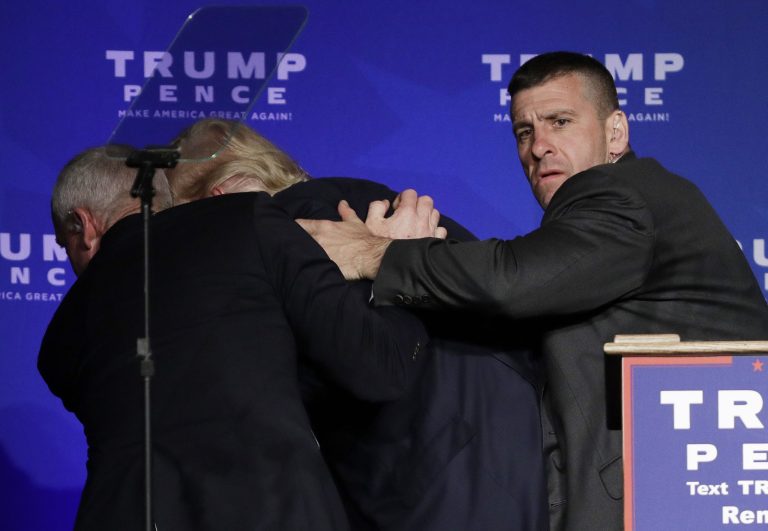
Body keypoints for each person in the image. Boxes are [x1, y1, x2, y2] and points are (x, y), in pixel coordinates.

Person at [297, 51, 768, 530]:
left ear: (616, 132)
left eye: (560, 122)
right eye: (524, 131)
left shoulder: (621, 194)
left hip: (670, 499)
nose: (539, 146)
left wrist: (373, 253)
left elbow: (510, 282)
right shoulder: (624, 209)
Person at [166, 118, 549, 530]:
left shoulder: (303, 227)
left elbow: (363, 362)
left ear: (219, 199)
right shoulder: (350, 199)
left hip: (439, 480)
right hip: (500, 453)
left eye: (187, 221)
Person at [39, 146, 428, 530]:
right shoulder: (246, 219)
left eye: (64, 245)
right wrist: (401, 263)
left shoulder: (59, 339)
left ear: (83, 226)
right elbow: (379, 369)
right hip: (275, 511)